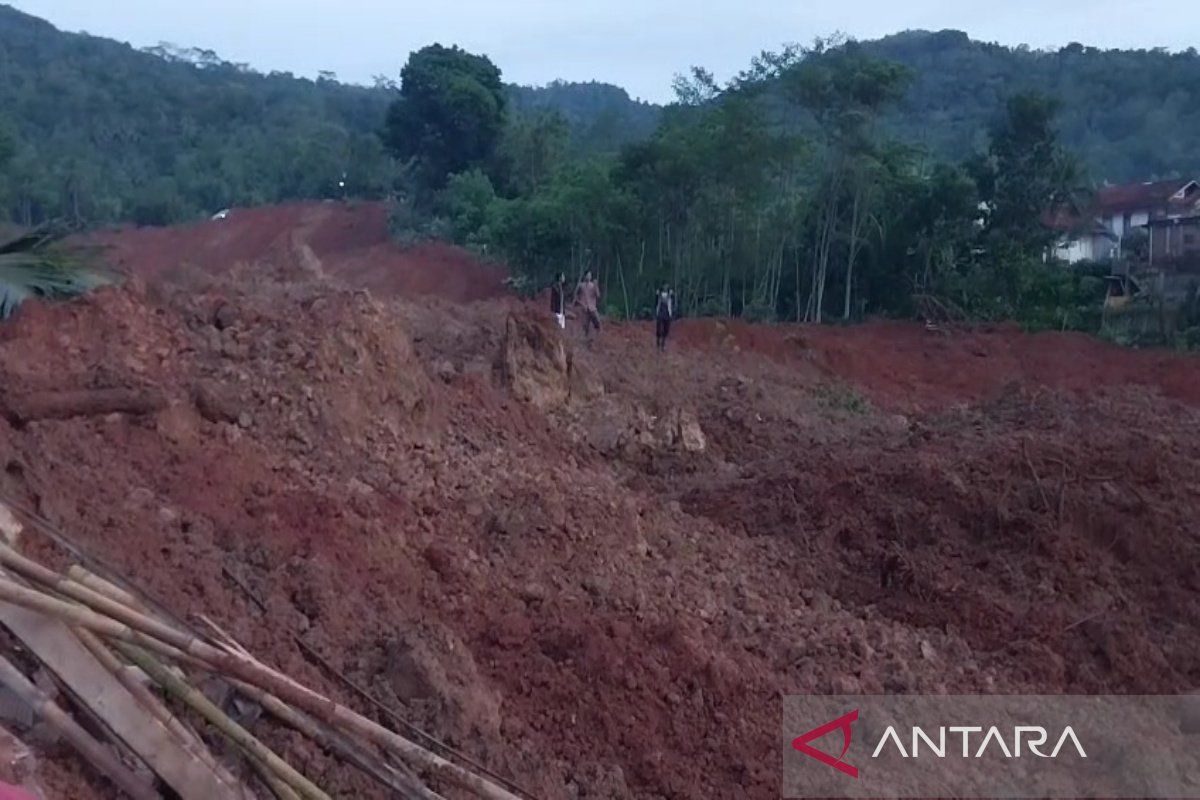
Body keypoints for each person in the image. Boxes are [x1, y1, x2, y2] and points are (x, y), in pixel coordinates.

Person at [575, 270, 602, 342]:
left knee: (597, 322)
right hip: (584, 309)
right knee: (585, 325)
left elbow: (598, 296)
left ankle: (596, 338)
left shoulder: (593, 285)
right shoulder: (581, 286)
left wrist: (596, 286)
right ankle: (585, 340)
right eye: (587, 275)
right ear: (585, 276)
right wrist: (582, 304)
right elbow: (576, 297)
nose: (589, 276)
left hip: (592, 308)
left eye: (590, 275)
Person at [654, 283, 676, 352]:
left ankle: (663, 343)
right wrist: (656, 295)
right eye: (664, 285)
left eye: (667, 286)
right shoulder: (659, 294)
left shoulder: (670, 294)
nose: (665, 287)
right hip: (660, 312)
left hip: (667, 313)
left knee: (666, 328)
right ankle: (658, 340)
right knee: (659, 328)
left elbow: (673, 303)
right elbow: (656, 302)